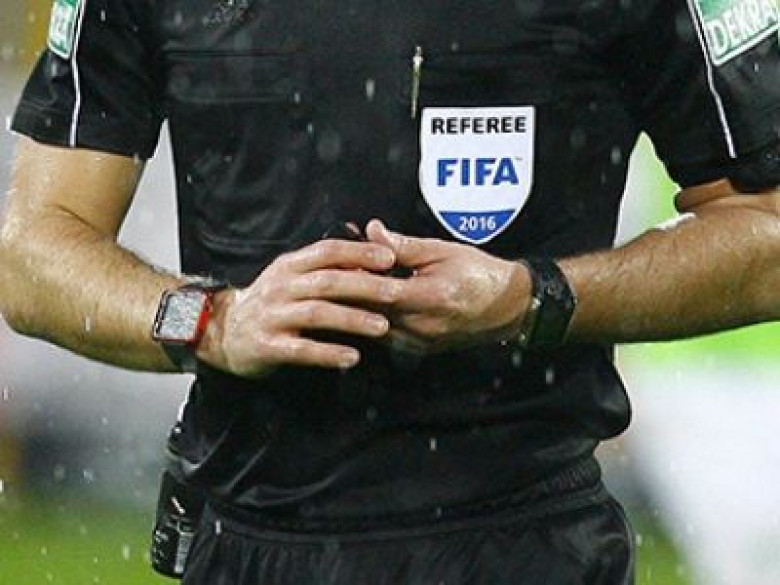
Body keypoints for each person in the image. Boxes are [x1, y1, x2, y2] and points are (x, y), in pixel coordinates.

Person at [1, 1, 779, 583]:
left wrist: (532, 297)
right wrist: (212, 320)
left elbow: (767, 232)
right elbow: (31, 250)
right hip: (247, 540)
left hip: (526, 539)